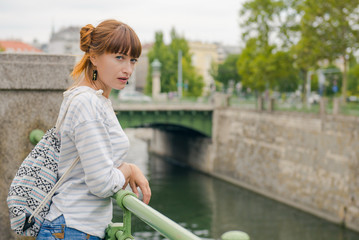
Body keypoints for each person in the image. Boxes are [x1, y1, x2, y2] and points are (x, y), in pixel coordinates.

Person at [36, 19, 151, 239]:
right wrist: (128, 169)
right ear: (94, 56)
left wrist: (126, 167)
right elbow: (101, 183)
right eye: (119, 57)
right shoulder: (87, 103)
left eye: (133, 60)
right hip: (72, 230)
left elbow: (94, 160)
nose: (128, 69)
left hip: (72, 227)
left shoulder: (95, 99)